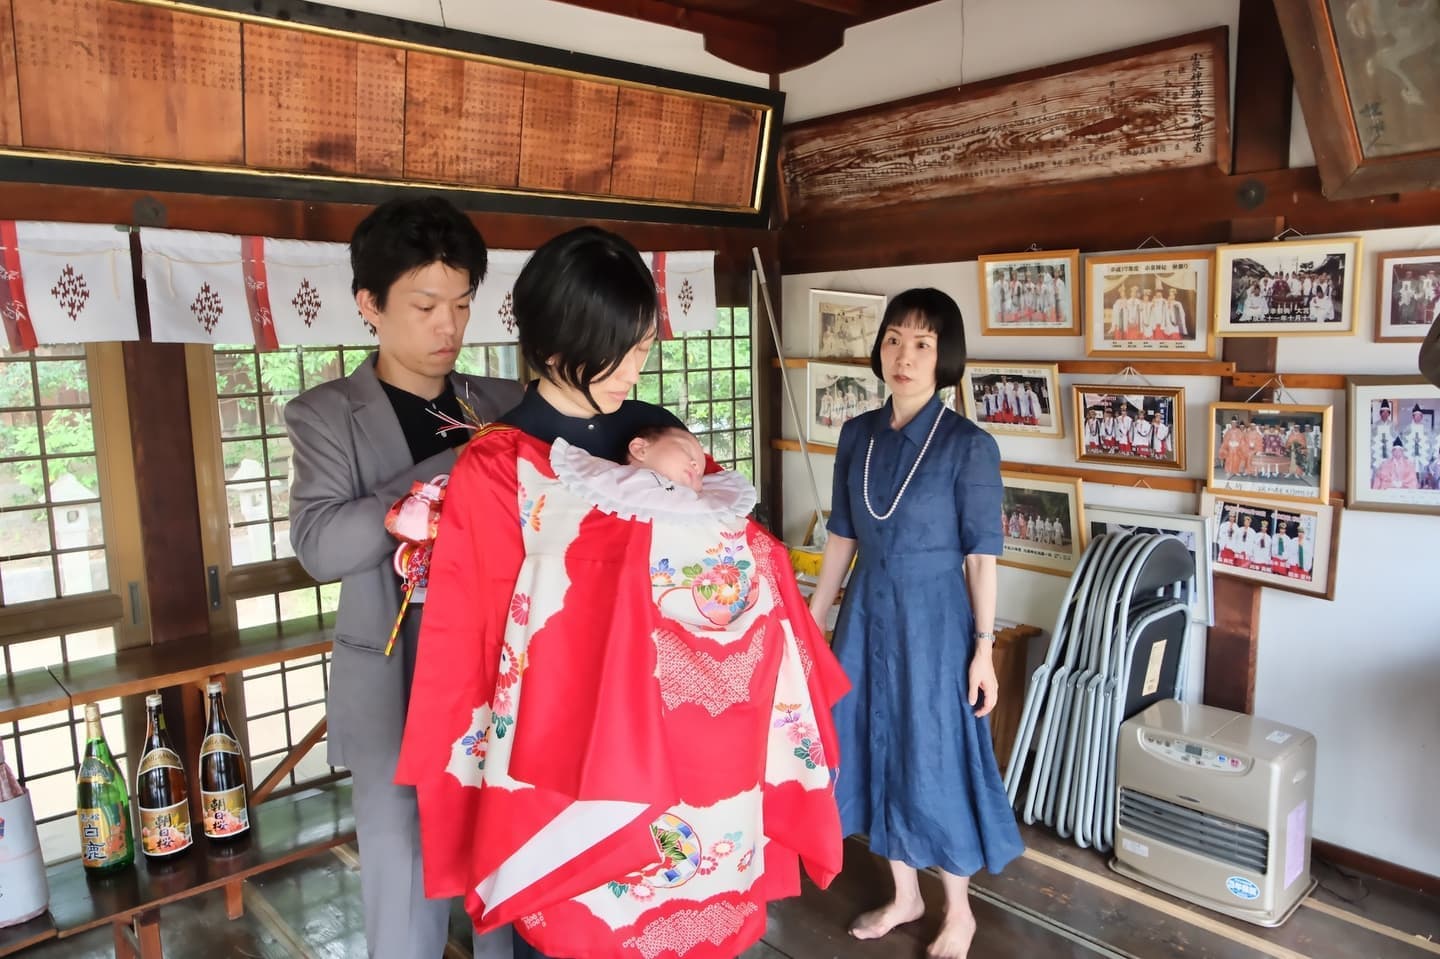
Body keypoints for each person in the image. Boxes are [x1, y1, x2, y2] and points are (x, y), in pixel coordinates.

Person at [393, 226, 847, 959]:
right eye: (617, 350)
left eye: (641, 347)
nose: (636, 369)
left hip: (695, 745)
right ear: (554, 345)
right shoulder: (498, 464)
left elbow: (728, 560)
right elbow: (480, 640)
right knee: (579, 931)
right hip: (570, 751)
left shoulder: (658, 434)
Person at [285, 196, 525, 959]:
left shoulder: (504, 402)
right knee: (403, 884)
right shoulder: (325, 414)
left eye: (461, 304)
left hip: (498, 674)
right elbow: (320, 544)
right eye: (424, 306)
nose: (448, 326)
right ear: (370, 304)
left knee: (505, 868)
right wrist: (446, 473)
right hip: (394, 680)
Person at [806, 288, 1023, 959]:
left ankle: (959, 910)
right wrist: (813, 620)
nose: (904, 356)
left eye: (922, 344)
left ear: (943, 357)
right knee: (870, 744)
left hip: (936, 623)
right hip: (867, 615)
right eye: (895, 339)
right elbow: (842, 537)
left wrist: (983, 649)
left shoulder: (969, 446)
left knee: (936, 756)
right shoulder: (857, 435)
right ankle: (906, 895)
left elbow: (981, 559)